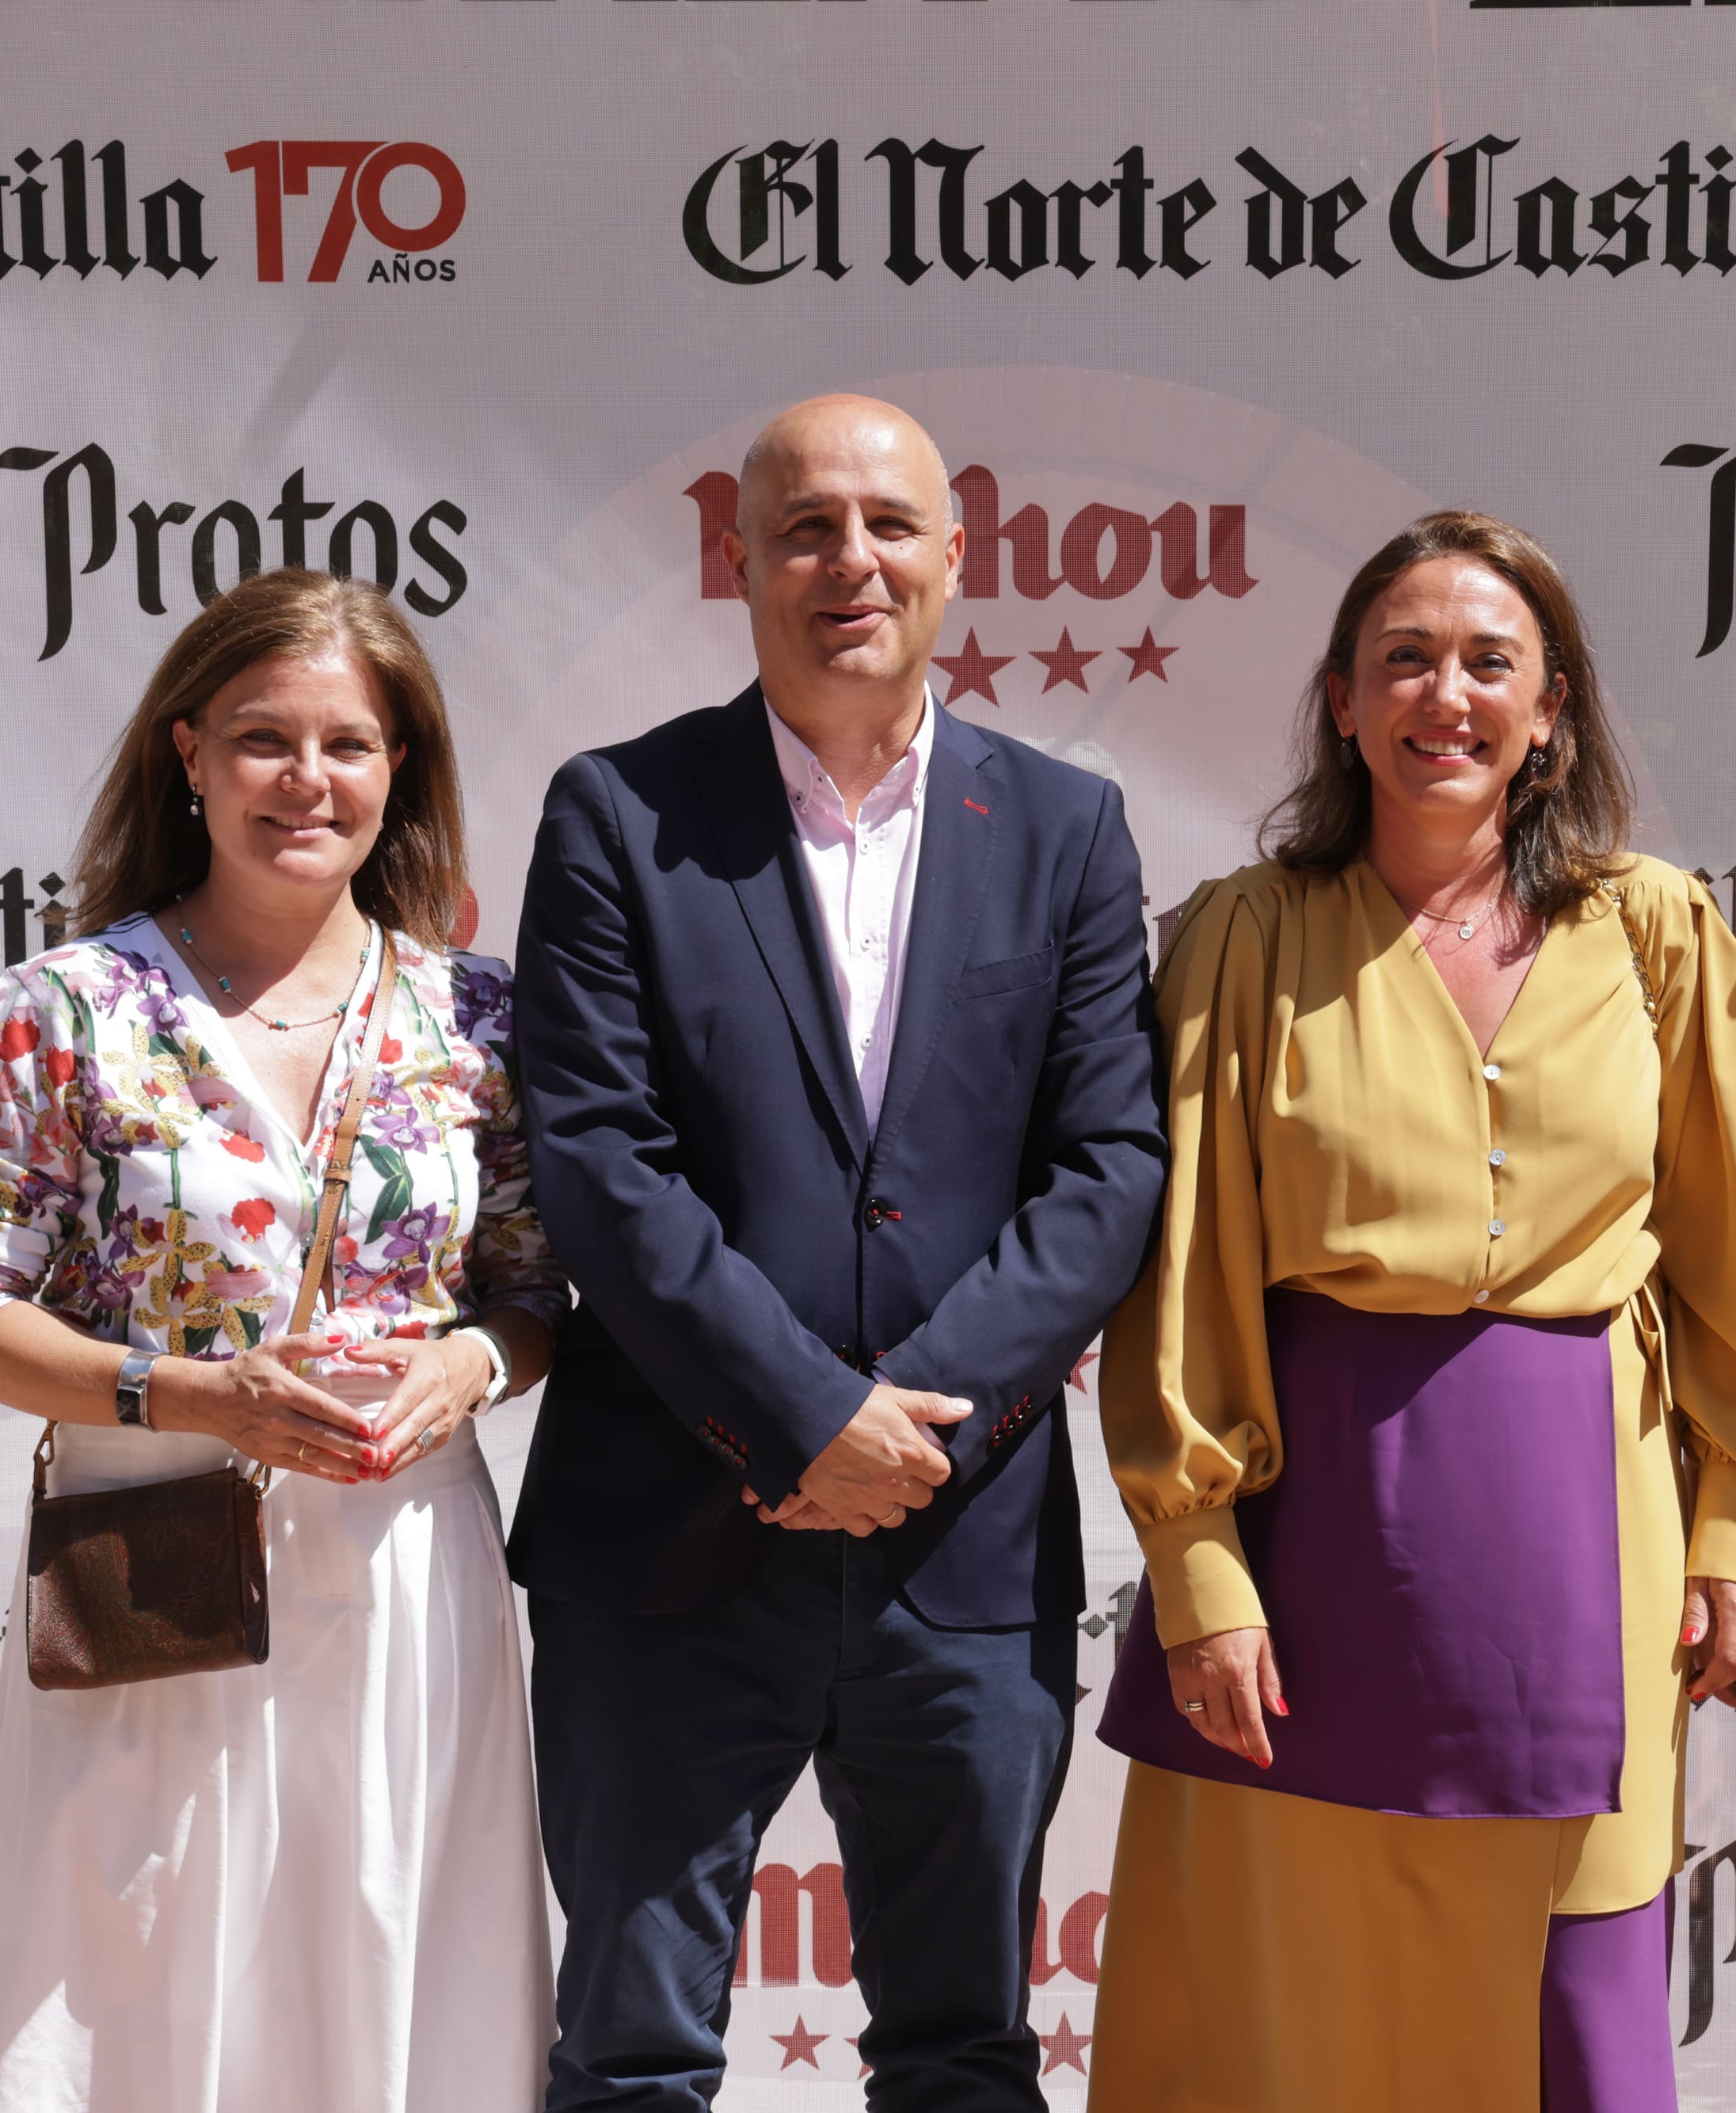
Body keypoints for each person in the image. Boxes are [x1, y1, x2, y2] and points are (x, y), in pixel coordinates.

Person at [1087, 510, 1736, 2113]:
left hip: (1593, 1549)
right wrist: (1197, 1562)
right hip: (1304, 1557)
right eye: (1404, 659)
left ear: (1550, 708)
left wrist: (1735, 1533)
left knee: (1572, 1994)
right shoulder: (1241, 937)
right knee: (1295, 2009)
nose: (1446, 694)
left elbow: (1730, 1269)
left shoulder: (1653, 928)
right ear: (1343, 703)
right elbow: (1183, 1276)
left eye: (1488, 661)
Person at [508, 394, 1166, 2111]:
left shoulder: (1065, 829)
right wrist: (804, 1417)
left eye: (887, 524)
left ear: (960, 555)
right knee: (629, 2054)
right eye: (805, 526)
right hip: (665, 1541)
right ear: (738, 558)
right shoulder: (617, 813)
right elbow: (594, 1159)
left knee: (963, 2057)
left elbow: (1105, 1168)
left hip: (959, 1548)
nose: (848, 561)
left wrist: (906, 1423)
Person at [0, 567, 566, 2112]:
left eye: (347, 742)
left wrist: (466, 1365)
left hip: (407, 1571)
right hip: (153, 1548)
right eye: (263, 739)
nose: (305, 779)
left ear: (398, 767)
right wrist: (181, 1387)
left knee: (395, 1951)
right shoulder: (57, 1011)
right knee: (143, 1981)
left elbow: (535, 1293)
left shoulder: (481, 1021)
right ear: (188, 754)